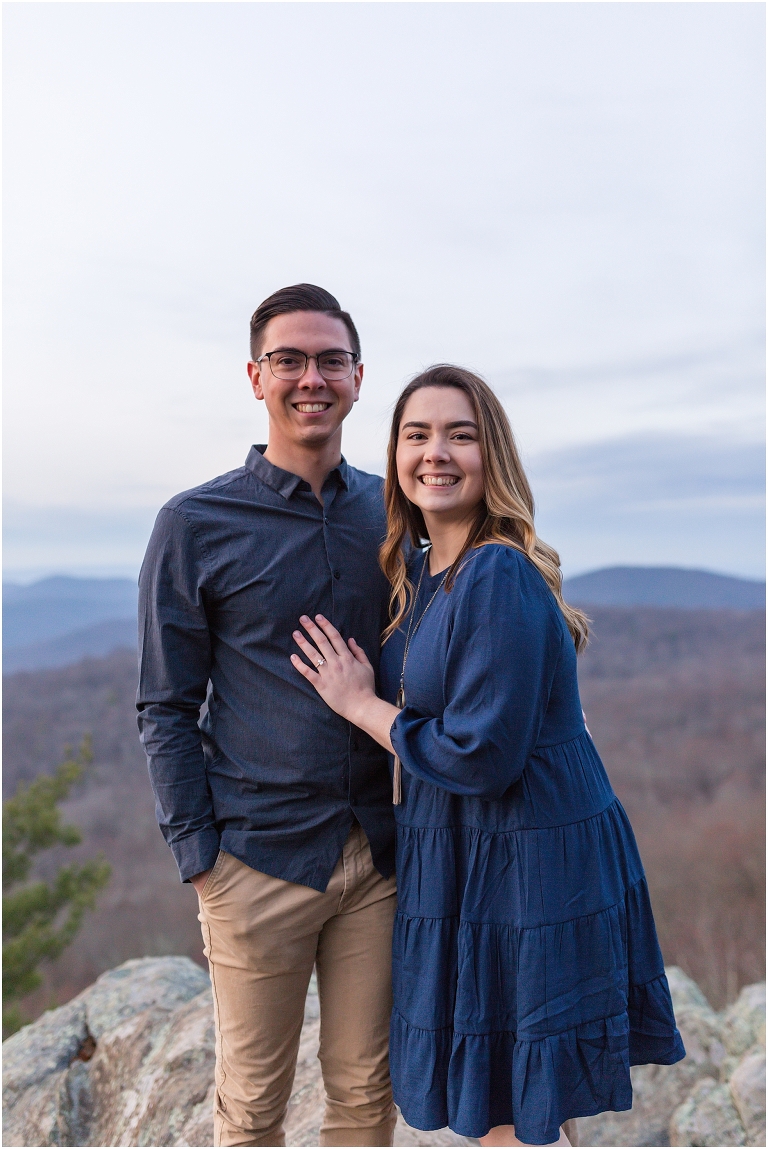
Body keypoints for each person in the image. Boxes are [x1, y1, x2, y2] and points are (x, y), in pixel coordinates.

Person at [291, 364, 686, 1147]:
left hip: (526, 858)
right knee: (520, 1103)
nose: (435, 452)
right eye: (417, 434)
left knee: (507, 1108)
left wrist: (360, 704)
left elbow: (480, 756)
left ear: (491, 455)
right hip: (474, 853)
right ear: (396, 455)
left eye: (460, 435)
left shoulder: (497, 569)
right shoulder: (422, 570)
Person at [137, 284, 398, 1148]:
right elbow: (166, 704)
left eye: (330, 360)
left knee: (366, 1092)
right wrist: (201, 859)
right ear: (257, 378)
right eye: (289, 360)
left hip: (381, 855)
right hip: (255, 860)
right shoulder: (194, 523)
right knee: (251, 1109)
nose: (310, 378)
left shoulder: (394, 512)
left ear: (358, 377)